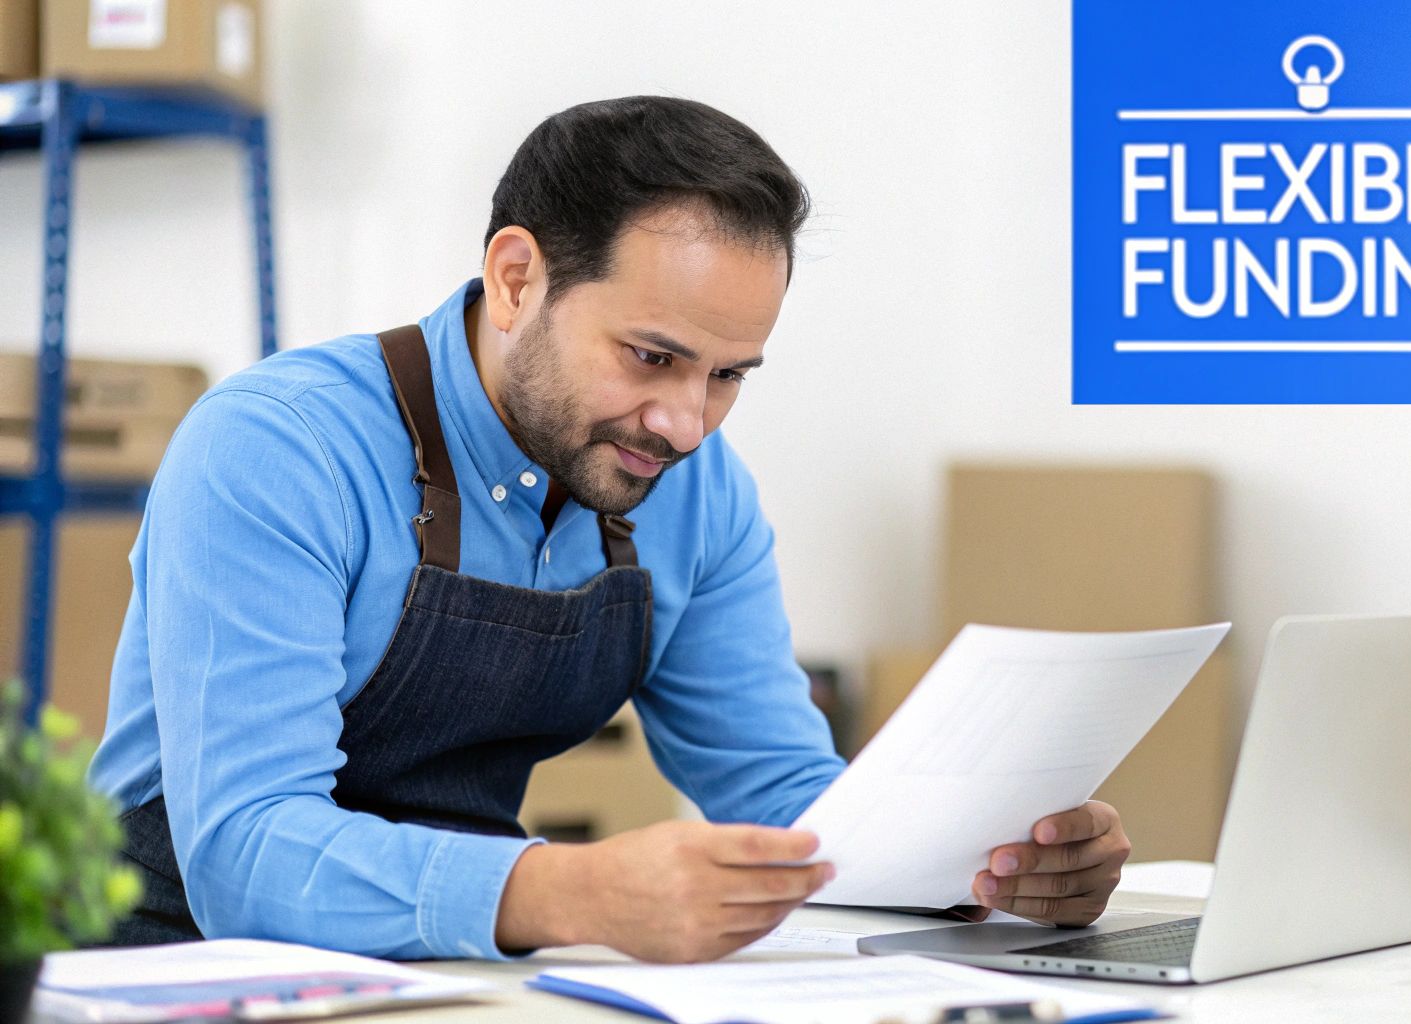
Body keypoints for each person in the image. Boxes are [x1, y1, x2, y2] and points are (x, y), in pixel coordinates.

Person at [87, 96, 1131, 962]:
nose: (685, 424)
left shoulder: (696, 490)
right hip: (167, 965)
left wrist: (986, 866)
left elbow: (787, 800)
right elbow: (245, 855)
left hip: (444, 975)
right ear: (516, 279)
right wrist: (570, 892)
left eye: (728, 375)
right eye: (651, 357)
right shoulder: (278, 448)